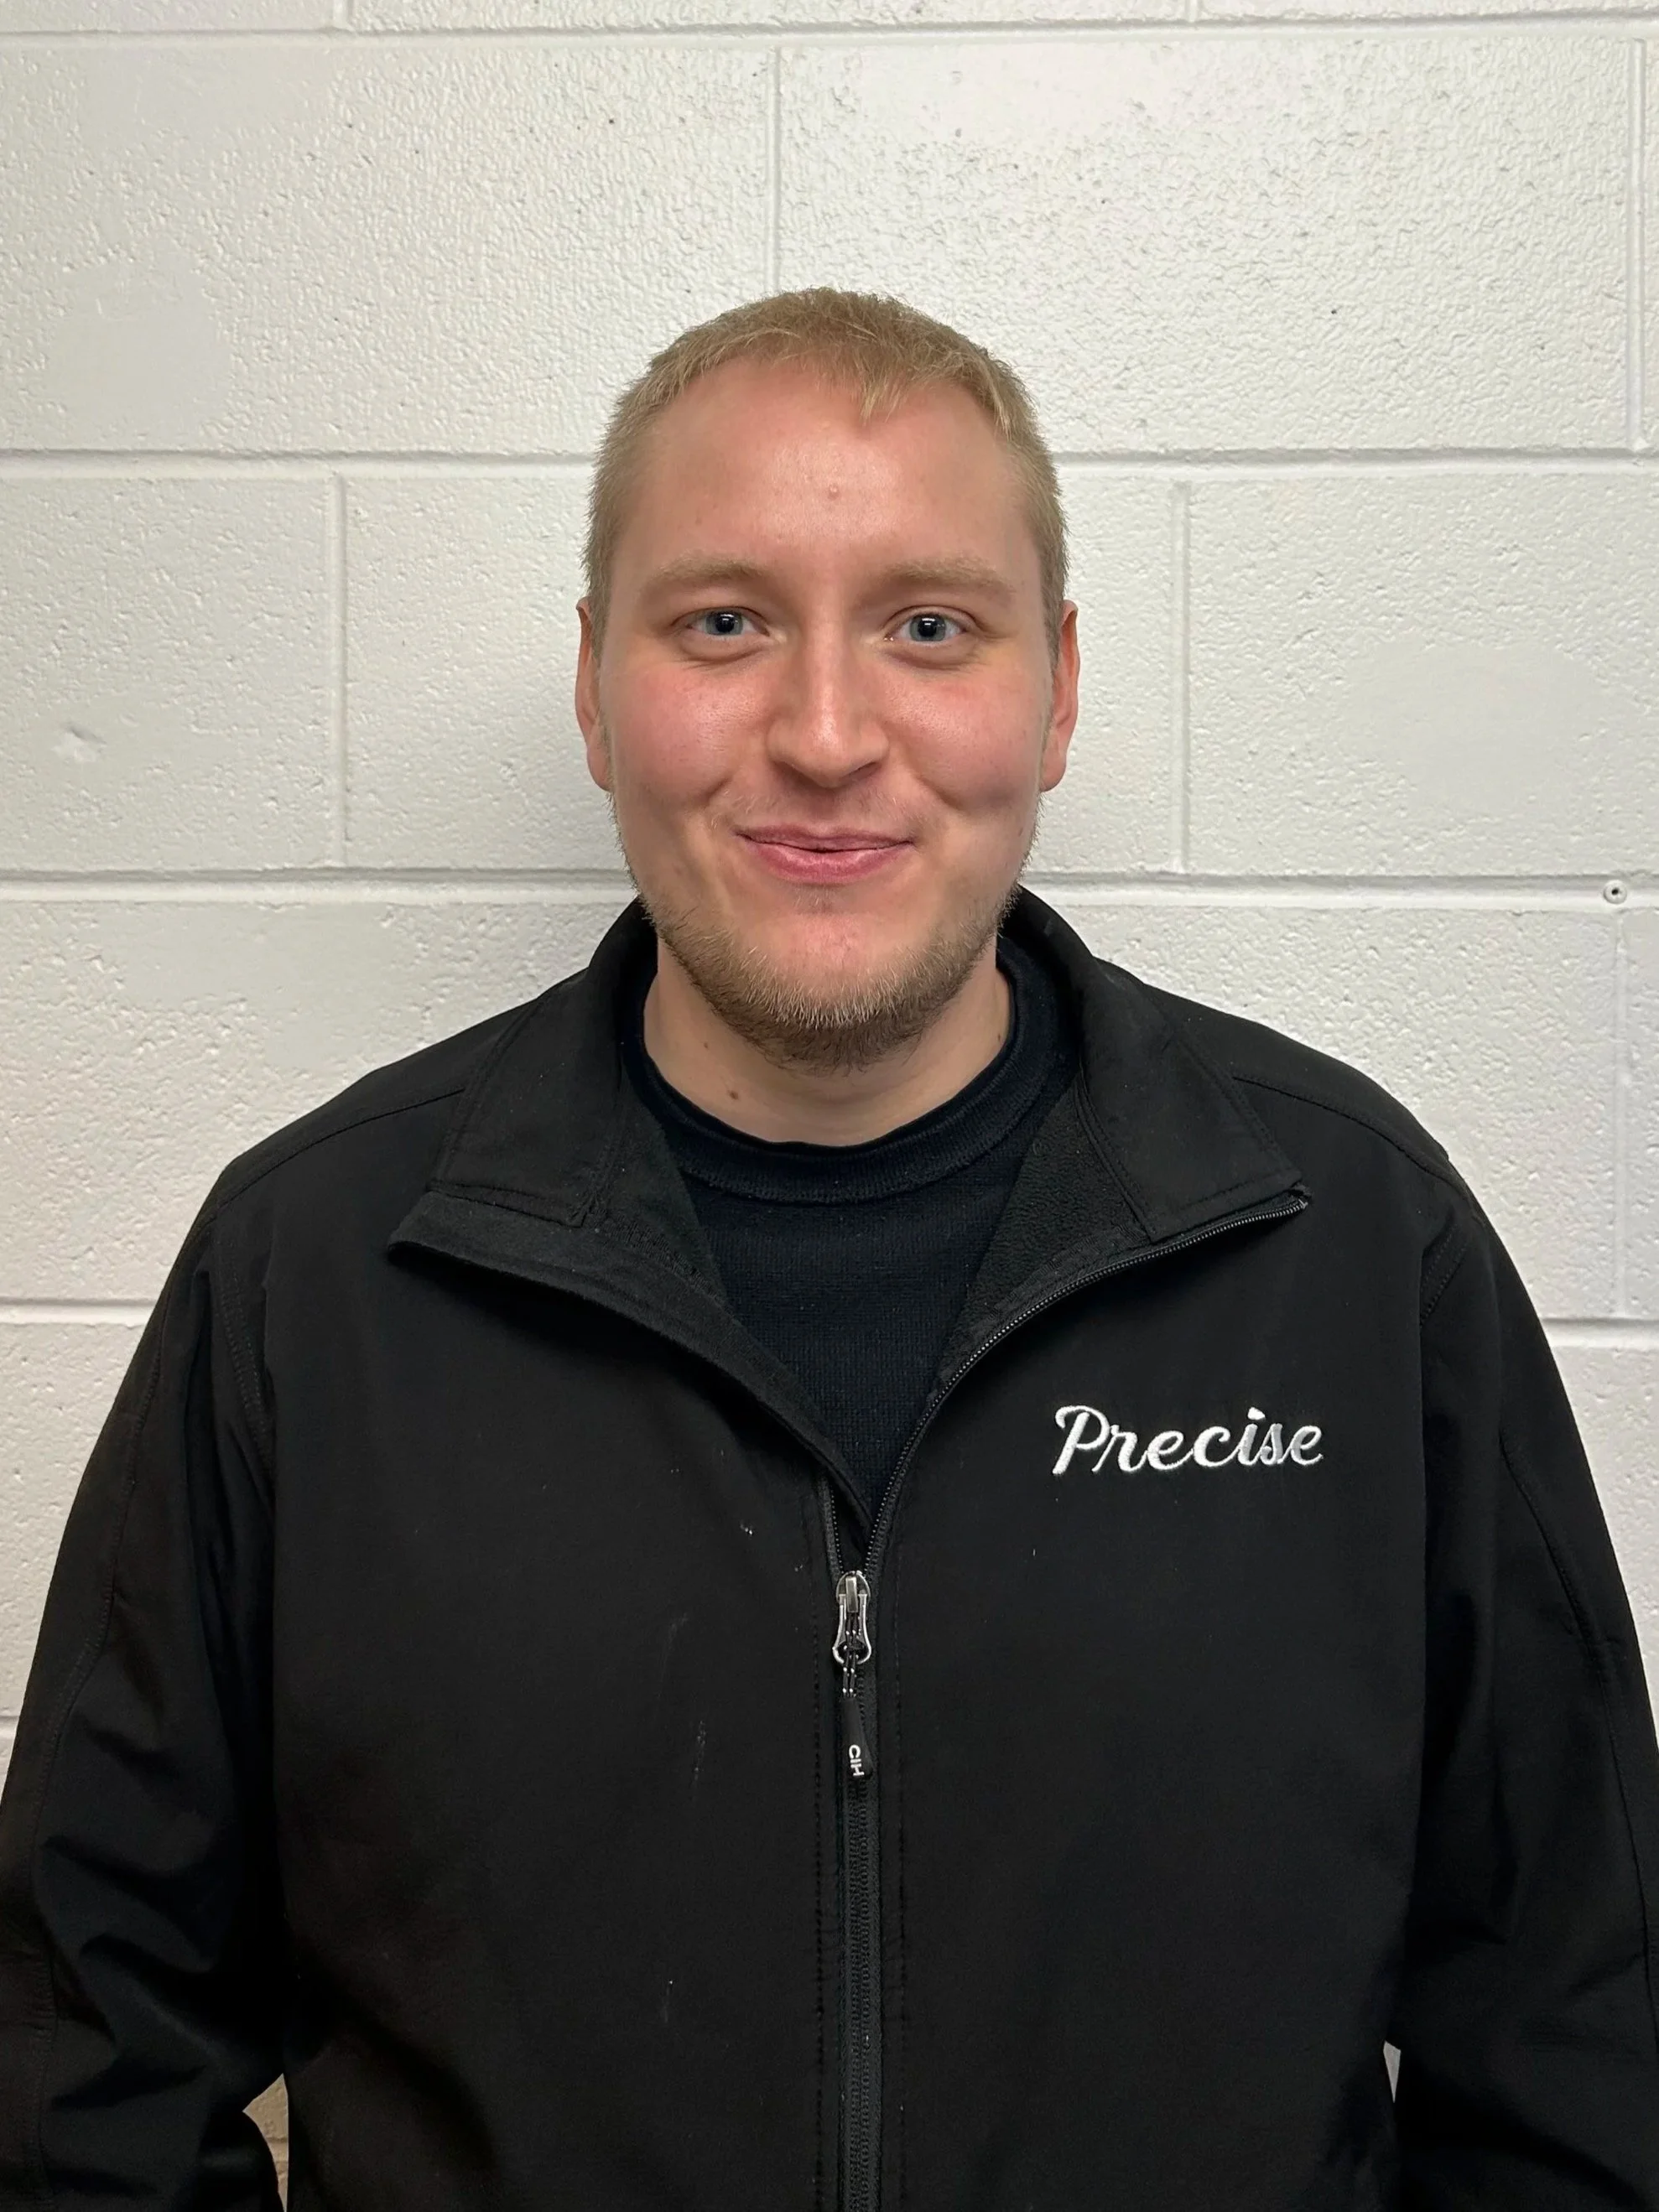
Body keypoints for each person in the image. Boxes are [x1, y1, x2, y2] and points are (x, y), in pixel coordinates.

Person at [1, 287, 1656, 2212]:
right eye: (722, 622)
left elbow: (1577, 2033)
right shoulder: (317, 1274)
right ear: (595, 686)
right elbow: (81, 2064)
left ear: (1050, 690)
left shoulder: (1352, 1243)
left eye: (927, 626)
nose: (821, 732)